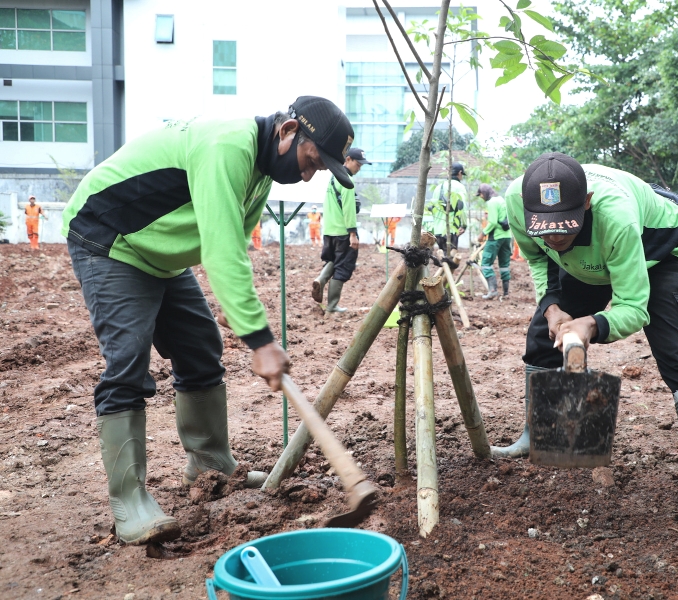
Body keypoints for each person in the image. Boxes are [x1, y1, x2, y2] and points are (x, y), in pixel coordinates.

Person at [61, 95, 355, 545]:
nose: (308, 175)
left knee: (200, 347)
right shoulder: (228, 147)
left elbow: (229, 243)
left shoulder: (260, 172)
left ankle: (210, 464)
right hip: (110, 238)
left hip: (159, 251)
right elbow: (222, 252)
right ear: (288, 131)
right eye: (311, 161)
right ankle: (128, 500)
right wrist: (260, 340)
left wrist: (246, 323)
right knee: (128, 360)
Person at [494, 152, 678, 529]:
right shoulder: (518, 202)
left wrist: (591, 325)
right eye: (543, 228)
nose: (553, 237)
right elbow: (538, 257)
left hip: (654, 251)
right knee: (542, 339)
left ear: (587, 203)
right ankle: (536, 435)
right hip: (585, 261)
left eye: (564, 226)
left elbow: (633, 307)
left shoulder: (616, 217)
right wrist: (552, 308)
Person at [311, 147, 371, 313]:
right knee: (343, 266)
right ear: (348, 159)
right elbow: (349, 209)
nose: (359, 168)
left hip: (329, 230)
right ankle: (332, 306)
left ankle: (321, 279)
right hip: (343, 231)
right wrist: (352, 233)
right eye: (358, 164)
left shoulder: (333, 177)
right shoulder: (347, 181)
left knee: (333, 261)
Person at [476, 183, 512, 300]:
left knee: (485, 264)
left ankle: (493, 291)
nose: (481, 197)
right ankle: (506, 293)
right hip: (507, 236)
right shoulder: (501, 200)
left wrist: (482, 234)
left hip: (495, 237)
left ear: (484, 192)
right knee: (504, 265)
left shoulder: (491, 202)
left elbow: (492, 222)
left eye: (481, 194)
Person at [425, 162, 467, 252]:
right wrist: (464, 225)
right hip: (452, 229)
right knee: (450, 257)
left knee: (443, 255)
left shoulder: (438, 188)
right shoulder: (460, 187)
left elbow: (432, 208)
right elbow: (462, 208)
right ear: (460, 173)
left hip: (438, 231)